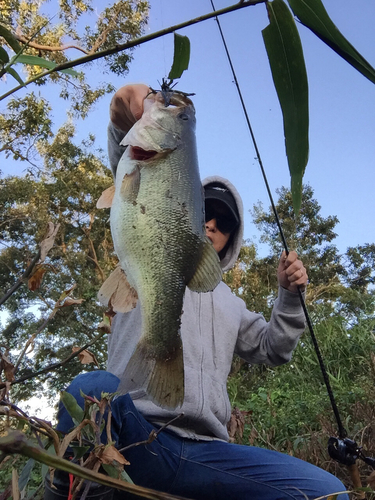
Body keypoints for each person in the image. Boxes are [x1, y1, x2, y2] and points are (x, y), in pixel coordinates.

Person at [56, 84, 348, 500]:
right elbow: (129, 149)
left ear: (231, 239)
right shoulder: (140, 250)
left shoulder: (232, 303)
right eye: (205, 212)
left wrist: (287, 296)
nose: (211, 225)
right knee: (91, 388)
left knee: (327, 492)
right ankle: (76, 491)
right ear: (186, 206)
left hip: (209, 455)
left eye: (223, 222)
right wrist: (127, 110)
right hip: (135, 437)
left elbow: (274, 349)